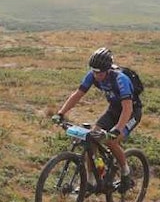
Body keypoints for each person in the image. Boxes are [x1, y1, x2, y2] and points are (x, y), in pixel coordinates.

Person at [53, 47, 140, 187]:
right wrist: (61, 113)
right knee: (92, 138)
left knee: (111, 141)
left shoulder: (120, 79)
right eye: (93, 71)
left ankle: (125, 172)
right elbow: (78, 94)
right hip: (113, 110)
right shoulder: (92, 75)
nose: (96, 75)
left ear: (108, 69)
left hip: (131, 112)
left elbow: (127, 108)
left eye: (99, 72)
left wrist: (117, 129)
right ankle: (91, 180)